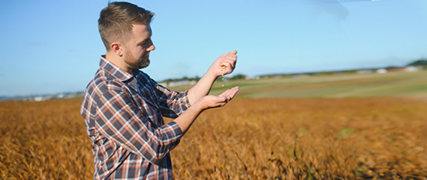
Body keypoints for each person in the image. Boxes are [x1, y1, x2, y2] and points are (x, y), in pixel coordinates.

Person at [80, 1, 239, 179]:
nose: (152, 46)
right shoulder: (106, 92)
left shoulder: (139, 78)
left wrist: (213, 72)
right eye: (143, 43)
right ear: (117, 48)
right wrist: (200, 106)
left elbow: (179, 105)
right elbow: (155, 146)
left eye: (150, 38)